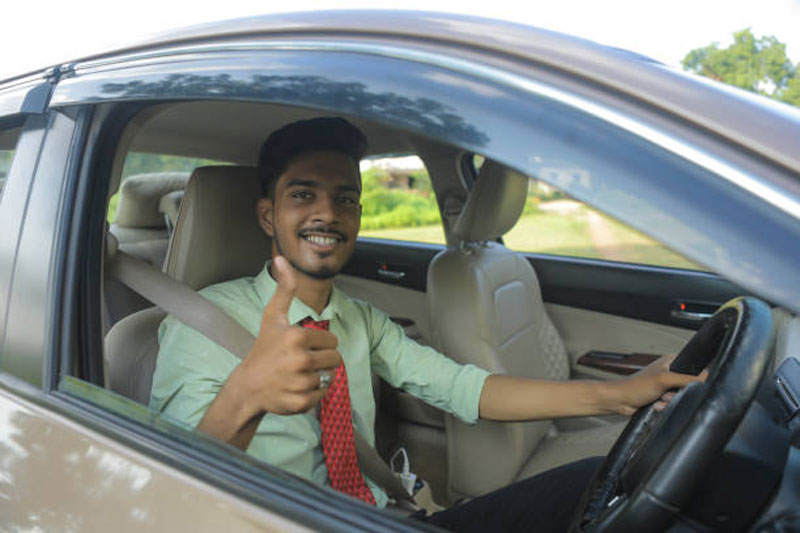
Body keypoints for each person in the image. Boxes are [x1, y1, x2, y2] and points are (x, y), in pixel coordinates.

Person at [150, 117, 700, 531]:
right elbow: (169, 497)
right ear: (268, 214)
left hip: (378, 516)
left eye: (346, 199)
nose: (327, 213)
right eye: (302, 195)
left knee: (604, 485)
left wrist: (619, 394)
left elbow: (467, 389)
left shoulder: (360, 320)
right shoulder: (204, 323)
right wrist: (246, 395)